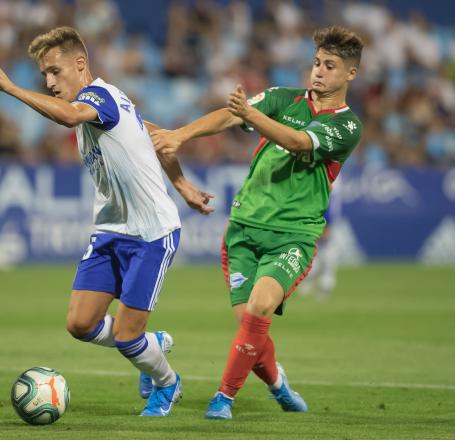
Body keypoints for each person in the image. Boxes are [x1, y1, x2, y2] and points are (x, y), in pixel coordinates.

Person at [0, 26, 212, 417]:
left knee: (124, 336)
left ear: (80, 64)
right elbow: (152, 135)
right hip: (109, 231)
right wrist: (184, 184)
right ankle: (149, 345)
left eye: (55, 71)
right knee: (80, 324)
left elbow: (69, 117)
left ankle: (167, 383)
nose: (50, 82)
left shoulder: (97, 97)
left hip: (151, 234)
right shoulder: (110, 104)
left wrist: (12, 88)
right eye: (44, 76)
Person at [152, 26, 364, 419]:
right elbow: (230, 117)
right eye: (316, 63)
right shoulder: (284, 98)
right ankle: (279, 385)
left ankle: (223, 398)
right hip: (245, 229)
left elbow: (299, 142)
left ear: (350, 74)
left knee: (260, 308)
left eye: (330, 66)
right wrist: (181, 134)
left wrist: (250, 113)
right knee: (250, 327)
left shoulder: (348, 125)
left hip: (294, 236)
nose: (318, 72)